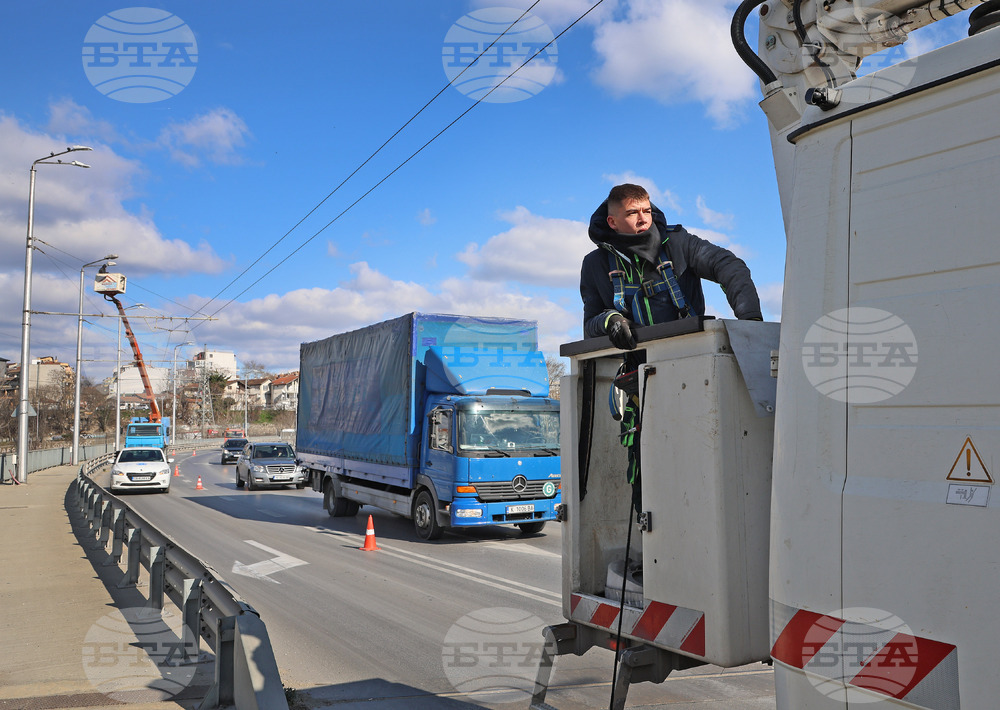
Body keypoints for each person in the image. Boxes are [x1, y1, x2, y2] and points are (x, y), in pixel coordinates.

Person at [579, 183, 762, 511]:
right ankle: (649, 543)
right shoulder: (595, 265)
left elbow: (729, 266)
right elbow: (590, 324)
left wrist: (750, 324)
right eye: (632, 213)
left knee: (703, 470)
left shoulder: (679, 244)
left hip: (697, 378)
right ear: (612, 222)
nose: (643, 219)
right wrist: (610, 321)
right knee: (647, 480)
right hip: (641, 388)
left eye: (646, 211)